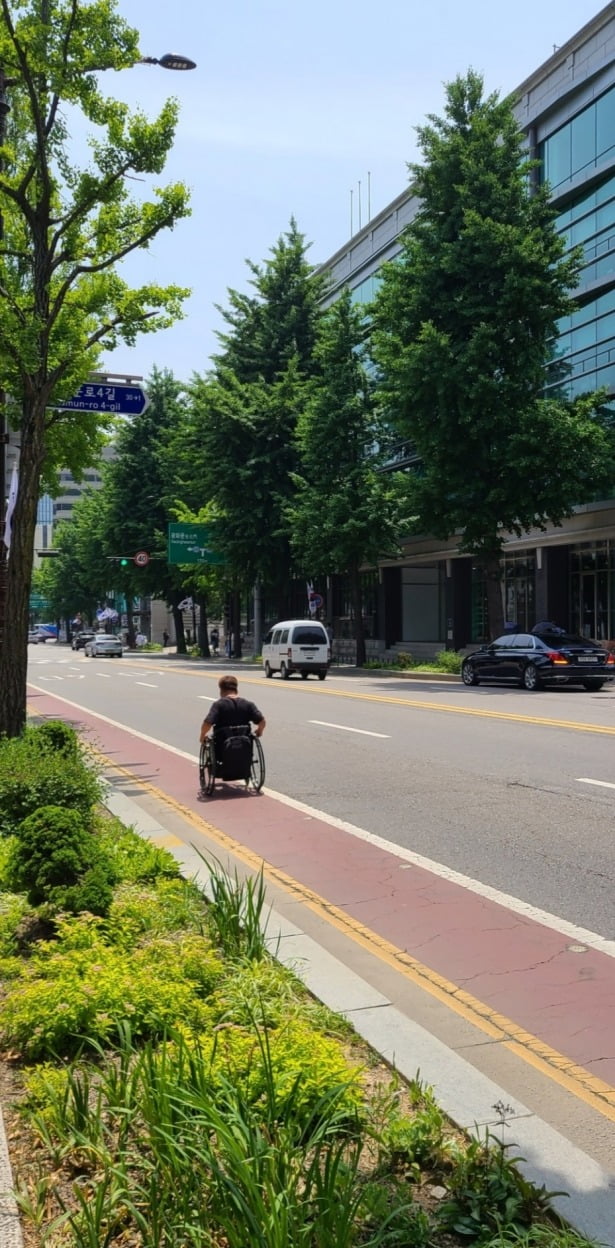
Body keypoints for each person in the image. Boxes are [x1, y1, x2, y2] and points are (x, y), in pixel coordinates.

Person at [200, 674, 266, 747]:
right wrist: (260, 731)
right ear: (236, 689)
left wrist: (202, 735)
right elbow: (262, 721)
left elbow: (208, 723)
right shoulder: (248, 704)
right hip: (244, 748)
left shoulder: (219, 705)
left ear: (221, 690)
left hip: (222, 748)